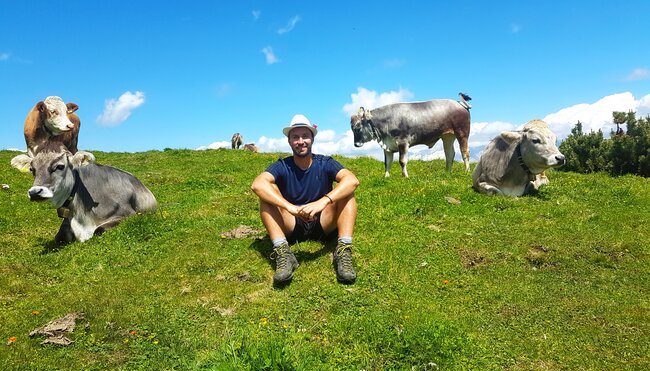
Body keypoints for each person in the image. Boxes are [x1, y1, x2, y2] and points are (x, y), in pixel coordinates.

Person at [251, 114, 360, 285]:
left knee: (346, 191)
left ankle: (343, 251)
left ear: (312, 139)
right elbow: (257, 185)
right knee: (267, 193)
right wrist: (290, 208)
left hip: (323, 221)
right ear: (289, 141)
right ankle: (283, 252)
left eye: (305, 136)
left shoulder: (325, 163)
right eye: (295, 137)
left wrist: (323, 201)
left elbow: (352, 180)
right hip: (292, 224)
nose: (301, 141)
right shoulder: (282, 165)